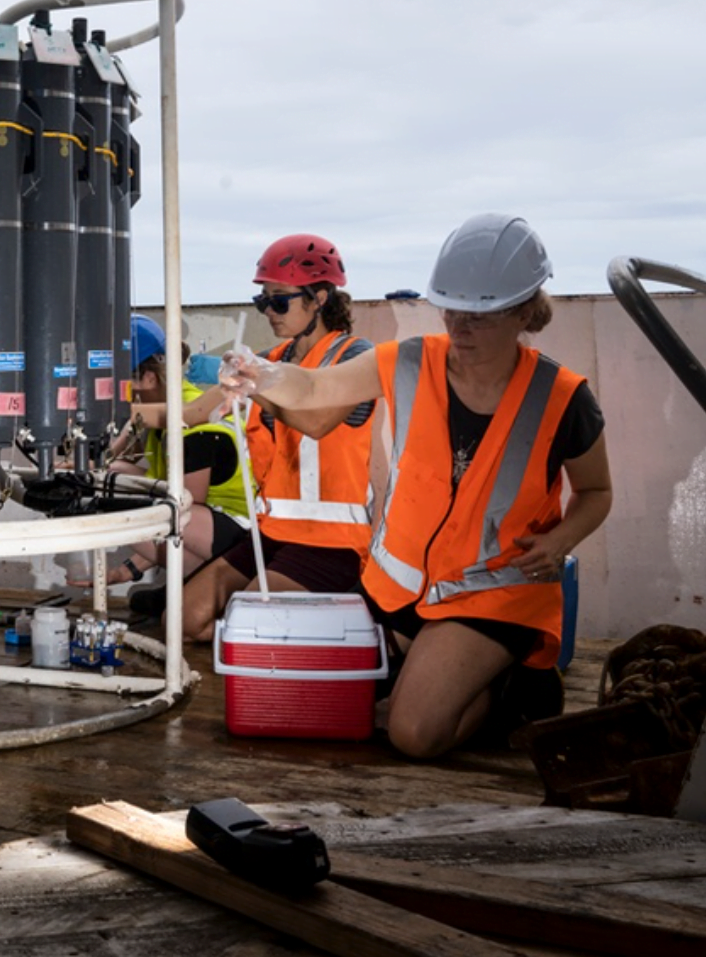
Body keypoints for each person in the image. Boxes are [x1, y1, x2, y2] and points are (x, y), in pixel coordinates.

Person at [219, 214, 612, 758]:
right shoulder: (408, 361)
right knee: (340, 697)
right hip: (401, 589)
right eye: (451, 309)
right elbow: (311, 389)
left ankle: (521, 688)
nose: (460, 327)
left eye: (482, 314)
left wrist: (561, 541)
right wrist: (259, 374)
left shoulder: (565, 397)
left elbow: (596, 493)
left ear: (526, 310)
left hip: (492, 591)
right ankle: (435, 668)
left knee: (412, 734)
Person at [178, 233, 376, 637]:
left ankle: (296, 649)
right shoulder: (267, 362)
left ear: (319, 297)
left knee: (250, 627)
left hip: (332, 542)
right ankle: (278, 641)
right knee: (182, 621)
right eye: (262, 301)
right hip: (271, 533)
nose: (268, 311)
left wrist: (256, 388)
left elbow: (317, 423)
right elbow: (193, 412)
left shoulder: (356, 358)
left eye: (279, 300)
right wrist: (120, 412)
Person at [108, 315, 253, 615]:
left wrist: (129, 566)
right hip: (214, 526)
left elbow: (180, 516)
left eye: (119, 386)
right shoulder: (170, 414)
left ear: (148, 378)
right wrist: (125, 572)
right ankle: (188, 586)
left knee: (143, 509)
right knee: (115, 475)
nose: (116, 397)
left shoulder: (194, 429)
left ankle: (215, 591)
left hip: (246, 539)